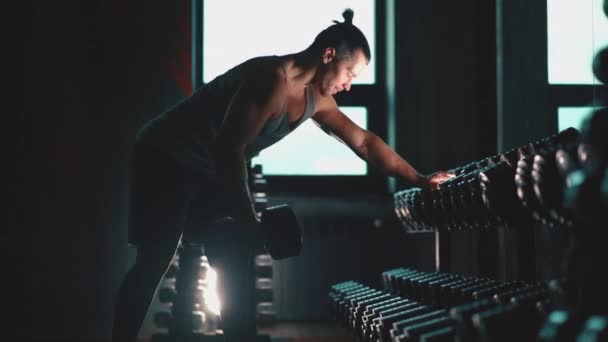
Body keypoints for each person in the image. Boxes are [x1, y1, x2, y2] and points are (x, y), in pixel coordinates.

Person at [112, 8, 454, 342]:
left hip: (207, 167)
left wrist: (419, 178)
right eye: (350, 74)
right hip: (165, 156)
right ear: (329, 55)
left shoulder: (316, 98)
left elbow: (364, 143)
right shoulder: (269, 79)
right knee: (155, 260)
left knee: (232, 257)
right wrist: (246, 217)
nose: (349, 86)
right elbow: (228, 149)